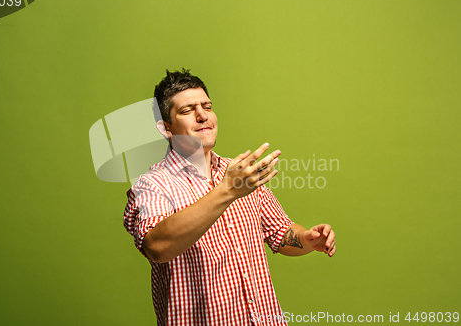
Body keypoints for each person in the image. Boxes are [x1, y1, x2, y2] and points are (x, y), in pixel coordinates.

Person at [123, 69, 336, 325]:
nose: (202, 115)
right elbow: (156, 247)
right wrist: (227, 191)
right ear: (166, 128)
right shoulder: (153, 185)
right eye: (187, 110)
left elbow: (281, 233)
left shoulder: (239, 172)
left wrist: (307, 240)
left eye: (207, 106)